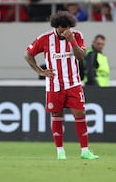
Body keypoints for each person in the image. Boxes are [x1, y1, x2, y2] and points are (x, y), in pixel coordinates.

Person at [23, 11, 99, 160]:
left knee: (80, 114)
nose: (65, 31)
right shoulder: (45, 38)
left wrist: (72, 41)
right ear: (56, 26)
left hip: (73, 83)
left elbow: (81, 57)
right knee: (57, 115)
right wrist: (39, 70)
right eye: (62, 28)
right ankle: (60, 152)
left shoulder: (77, 35)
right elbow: (27, 55)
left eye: (67, 28)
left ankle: (85, 151)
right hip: (54, 85)